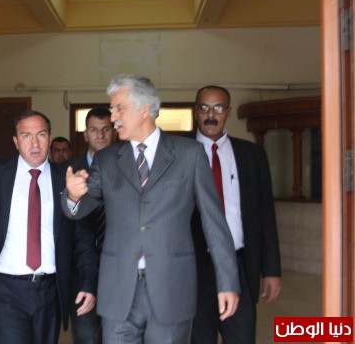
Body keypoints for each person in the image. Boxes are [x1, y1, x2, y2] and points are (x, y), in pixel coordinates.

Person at [62, 74, 240, 344]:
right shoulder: (107, 160)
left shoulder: (190, 154)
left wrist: (227, 282)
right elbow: (79, 209)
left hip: (172, 289)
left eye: (119, 108)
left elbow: (214, 223)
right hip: (118, 292)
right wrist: (73, 196)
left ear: (145, 109)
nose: (113, 117)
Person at [0, 110, 98, 344]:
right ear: (16, 141)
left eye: (41, 135)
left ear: (49, 138)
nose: (34, 143)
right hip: (5, 290)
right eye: (26, 136)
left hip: (50, 290)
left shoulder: (66, 178)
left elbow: (84, 237)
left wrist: (88, 282)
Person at [190, 85, 282, 344]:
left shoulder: (252, 155)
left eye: (218, 108)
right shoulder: (178, 152)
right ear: (196, 112)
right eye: (204, 107)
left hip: (239, 263)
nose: (211, 114)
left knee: (242, 337)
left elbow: (265, 216)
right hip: (195, 267)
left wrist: (272, 269)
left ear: (228, 113)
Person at [67, 107, 114, 344]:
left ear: (114, 131)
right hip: (78, 267)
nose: (100, 135)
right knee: (86, 335)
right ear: (85, 134)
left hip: (118, 265)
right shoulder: (68, 170)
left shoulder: (128, 167)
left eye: (106, 129)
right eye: (94, 130)